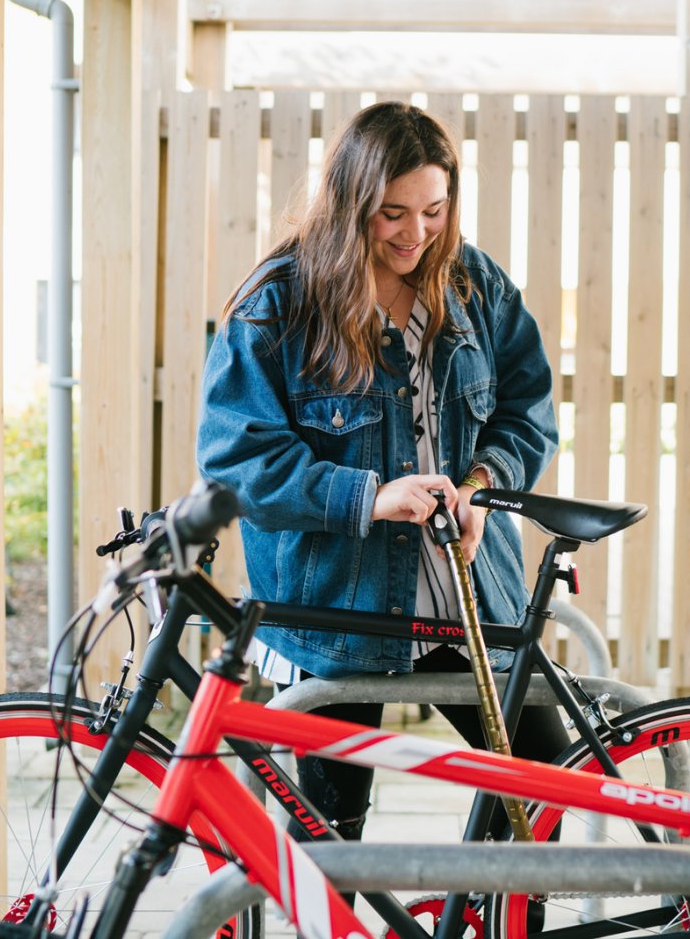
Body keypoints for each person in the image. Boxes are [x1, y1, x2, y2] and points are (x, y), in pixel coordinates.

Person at [197, 100, 569, 852]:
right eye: (391, 213)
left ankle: (493, 915)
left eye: (433, 210)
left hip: (470, 598)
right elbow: (238, 459)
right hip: (336, 611)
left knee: (545, 782)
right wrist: (370, 497)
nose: (415, 234)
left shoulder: (475, 284)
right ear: (349, 201)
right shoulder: (277, 303)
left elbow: (529, 409)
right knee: (332, 843)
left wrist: (483, 486)